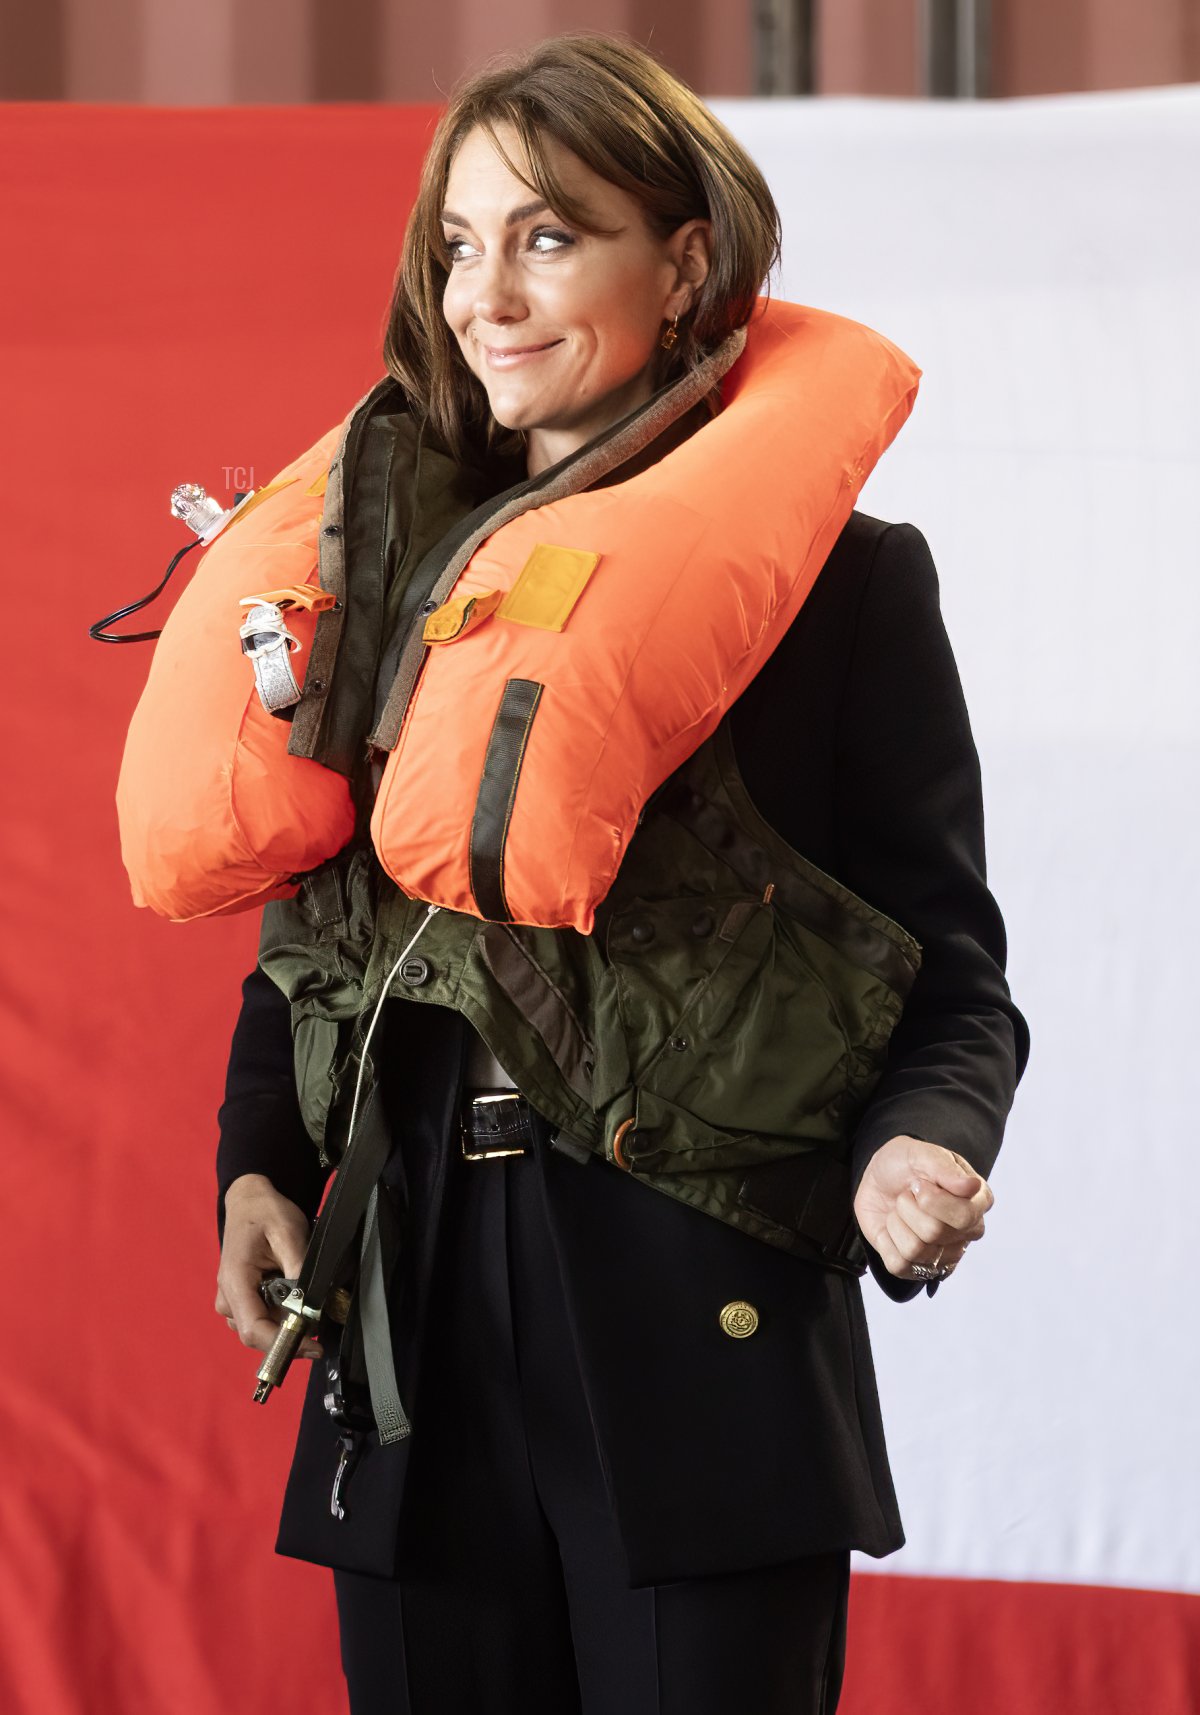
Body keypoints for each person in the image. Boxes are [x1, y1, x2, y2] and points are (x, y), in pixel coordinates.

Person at [213, 32, 1029, 1715]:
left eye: (549, 236)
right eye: (458, 241)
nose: (485, 294)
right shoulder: (380, 588)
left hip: (697, 1342)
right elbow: (323, 935)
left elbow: (951, 972)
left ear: (689, 261)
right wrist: (255, 1170)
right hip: (411, 1332)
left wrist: (918, 1152)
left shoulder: (842, 594)